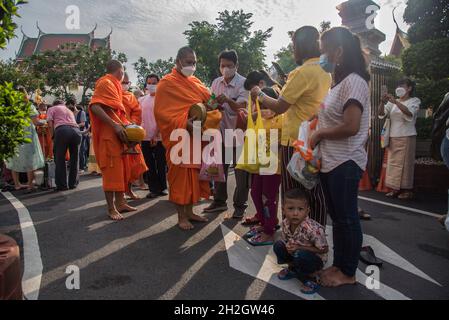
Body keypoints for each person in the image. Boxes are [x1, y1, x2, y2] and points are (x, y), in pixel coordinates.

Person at [250, 26, 332, 227]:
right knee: (314, 192)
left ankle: (294, 240)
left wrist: (258, 93)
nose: (292, 49)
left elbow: (279, 106)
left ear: (301, 46)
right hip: (315, 139)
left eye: (293, 45)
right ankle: (316, 236)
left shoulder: (302, 72)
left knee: (292, 194)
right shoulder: (325, 71)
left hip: (295, 142)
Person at [309, 27, 371, 287]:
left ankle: (347, 272)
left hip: (345, 162)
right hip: (332, 161)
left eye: (324, 50)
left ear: (339, 51)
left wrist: (321, 133)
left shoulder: (355, 81)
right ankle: (339, 265)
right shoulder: (339, 83)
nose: (322, 55)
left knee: (346, 218)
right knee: (340, 219)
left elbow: (351, 126)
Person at [154, 46, 211, 230]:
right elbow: (162, 114)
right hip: (179, 137)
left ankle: (190, 212)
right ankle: (181, 217)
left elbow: (206, 100)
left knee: (194, 177)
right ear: (178, 61)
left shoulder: (195, 82)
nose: (192, 66)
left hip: (195, 136)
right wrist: (183, 122)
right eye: (188, 62)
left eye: (194, 62)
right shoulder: (166, 83)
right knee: (180, 179)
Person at [203, 50, 249, 219]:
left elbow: (242, 106)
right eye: (223, 66)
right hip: (221, 132)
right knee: (219, 169)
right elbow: (210, 103)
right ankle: (219, 201)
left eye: (229, 66)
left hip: (239, 134)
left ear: (236, 66)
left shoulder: (244, 83)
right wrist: (213, 104)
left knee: (241, 173)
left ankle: (239, 206)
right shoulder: (216, 82)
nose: (226, 69)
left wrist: (229, 101)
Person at [89, 60, 136, 221]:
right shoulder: (106, 82)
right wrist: (115, 126)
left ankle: (121, 202)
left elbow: (114, 111)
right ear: (120, 71)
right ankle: (111, 208)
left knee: (120, 172)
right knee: (111, 173)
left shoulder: (114, 85)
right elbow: (95, 106)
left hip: (118, 137)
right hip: (109, 137)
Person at [246, 87, 283, 246]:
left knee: (268, 198)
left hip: (273, 167)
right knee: (255, 193)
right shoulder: (260, 118)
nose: (266, 110)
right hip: (260, 164)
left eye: (269, 105)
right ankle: (264, 222)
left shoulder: (282, 119)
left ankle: (269, 231)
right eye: (263, 106)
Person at [273, 189, 328, 294]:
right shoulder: (285, 223)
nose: (295, 213)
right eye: (290, 208)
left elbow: (324, 249)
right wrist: (288, 246)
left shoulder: (312, 228)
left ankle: (311, 278)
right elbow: (286, 239)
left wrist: (299, 247)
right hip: (296, 253)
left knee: (301, 254)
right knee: (278, 245)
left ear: (307, 211)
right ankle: (293, 268)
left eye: (300, 209)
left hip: (314, 258)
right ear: (283, 210)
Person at [379, 79, 421, 200]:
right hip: (393, 136)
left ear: (409, 88)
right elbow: (381, 114)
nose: (399, 87)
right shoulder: (393, 102)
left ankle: (407, 190)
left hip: (407, 135)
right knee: (393, 164)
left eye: (402, 85)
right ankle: (394, 189)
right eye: (398, 85)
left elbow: (409, 113)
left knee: (406, 164)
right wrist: (382, 102)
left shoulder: (414, 100)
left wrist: (396, 103)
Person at [6, 89, 45, 191]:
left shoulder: (12, 106)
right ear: (25, 95)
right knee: (30, 160)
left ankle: (17, 184)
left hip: (15, 135)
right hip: (27, 136)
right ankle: (30, 185)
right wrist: (44, 122)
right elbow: (36, 122)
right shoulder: (29, 106)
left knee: (15, 159)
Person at [140, 74, 168, 199]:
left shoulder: (163, 99)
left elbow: (163, 118)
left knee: (161, 164)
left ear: (159, 83)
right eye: (149, 83)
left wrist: (156, 134)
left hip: (160, 137)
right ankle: (153, 189)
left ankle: (163, 187)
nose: (151, 85)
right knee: (149, 164)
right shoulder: (141, 100)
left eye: (154, 82)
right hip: (145, 137)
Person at [121, 72, 148, 199]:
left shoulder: (130, 97)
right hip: (117, 134)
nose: (125, 85)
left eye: (127, 83)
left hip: (131, 133)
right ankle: (120, 193)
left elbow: (137, 112)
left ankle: (129, 190)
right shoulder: (112, 95)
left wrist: (132, 123)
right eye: (123, 82)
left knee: (135, 164)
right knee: (120, 167)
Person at [46, 99, 82, 191]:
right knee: (75, 159)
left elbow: (50, 124)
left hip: (62, 131)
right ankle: (73, 183)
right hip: (76, 131)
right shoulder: (69, 110)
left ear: (54, 104)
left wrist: (53, 136)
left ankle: (62, 185)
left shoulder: (52, 109)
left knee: (60, 158)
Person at [74, 105, 88, 173]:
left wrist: (75, 125)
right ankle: (78, 166)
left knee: (81, 150)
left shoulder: (82, 113)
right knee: (76, 150)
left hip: (81, 133)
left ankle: (82, 167)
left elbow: (83, 124)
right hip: (74, 133)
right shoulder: (71, 113)